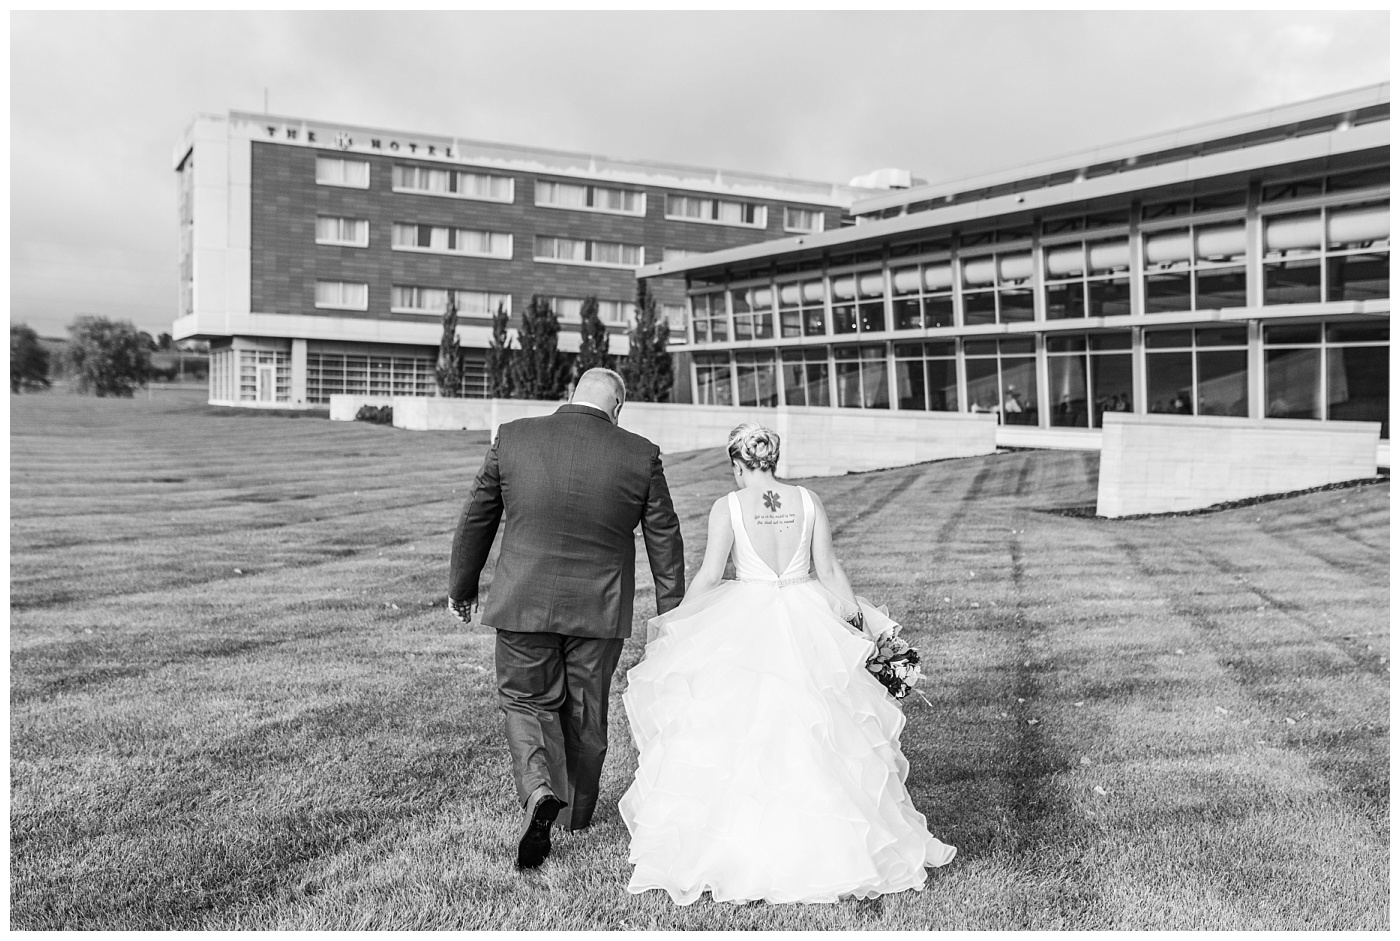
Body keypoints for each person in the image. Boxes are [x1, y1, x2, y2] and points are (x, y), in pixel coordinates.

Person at [620, 422, 956, 905]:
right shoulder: (807, 500)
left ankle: (736, 845)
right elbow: (831, 570)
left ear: (737, 465)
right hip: (808, 615)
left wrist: (675, 623)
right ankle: (837, 845)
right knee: (824, 729)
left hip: (746, 620)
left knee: (740, 730)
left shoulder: (728, 507)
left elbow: (712, 575)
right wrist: (862, 629)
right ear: (772, 461)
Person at [448, 368, 685, 871]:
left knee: (525, 700)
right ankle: (574, 815)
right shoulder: (640, 454)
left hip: (523, 603)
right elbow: (665, 540)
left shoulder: (513, 437)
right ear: (618, 407)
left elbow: (477, 517)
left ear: (570, 394)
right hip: (600, 612)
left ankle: (538, 792)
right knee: (584, 709)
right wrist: (673, 616)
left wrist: (461, 589)